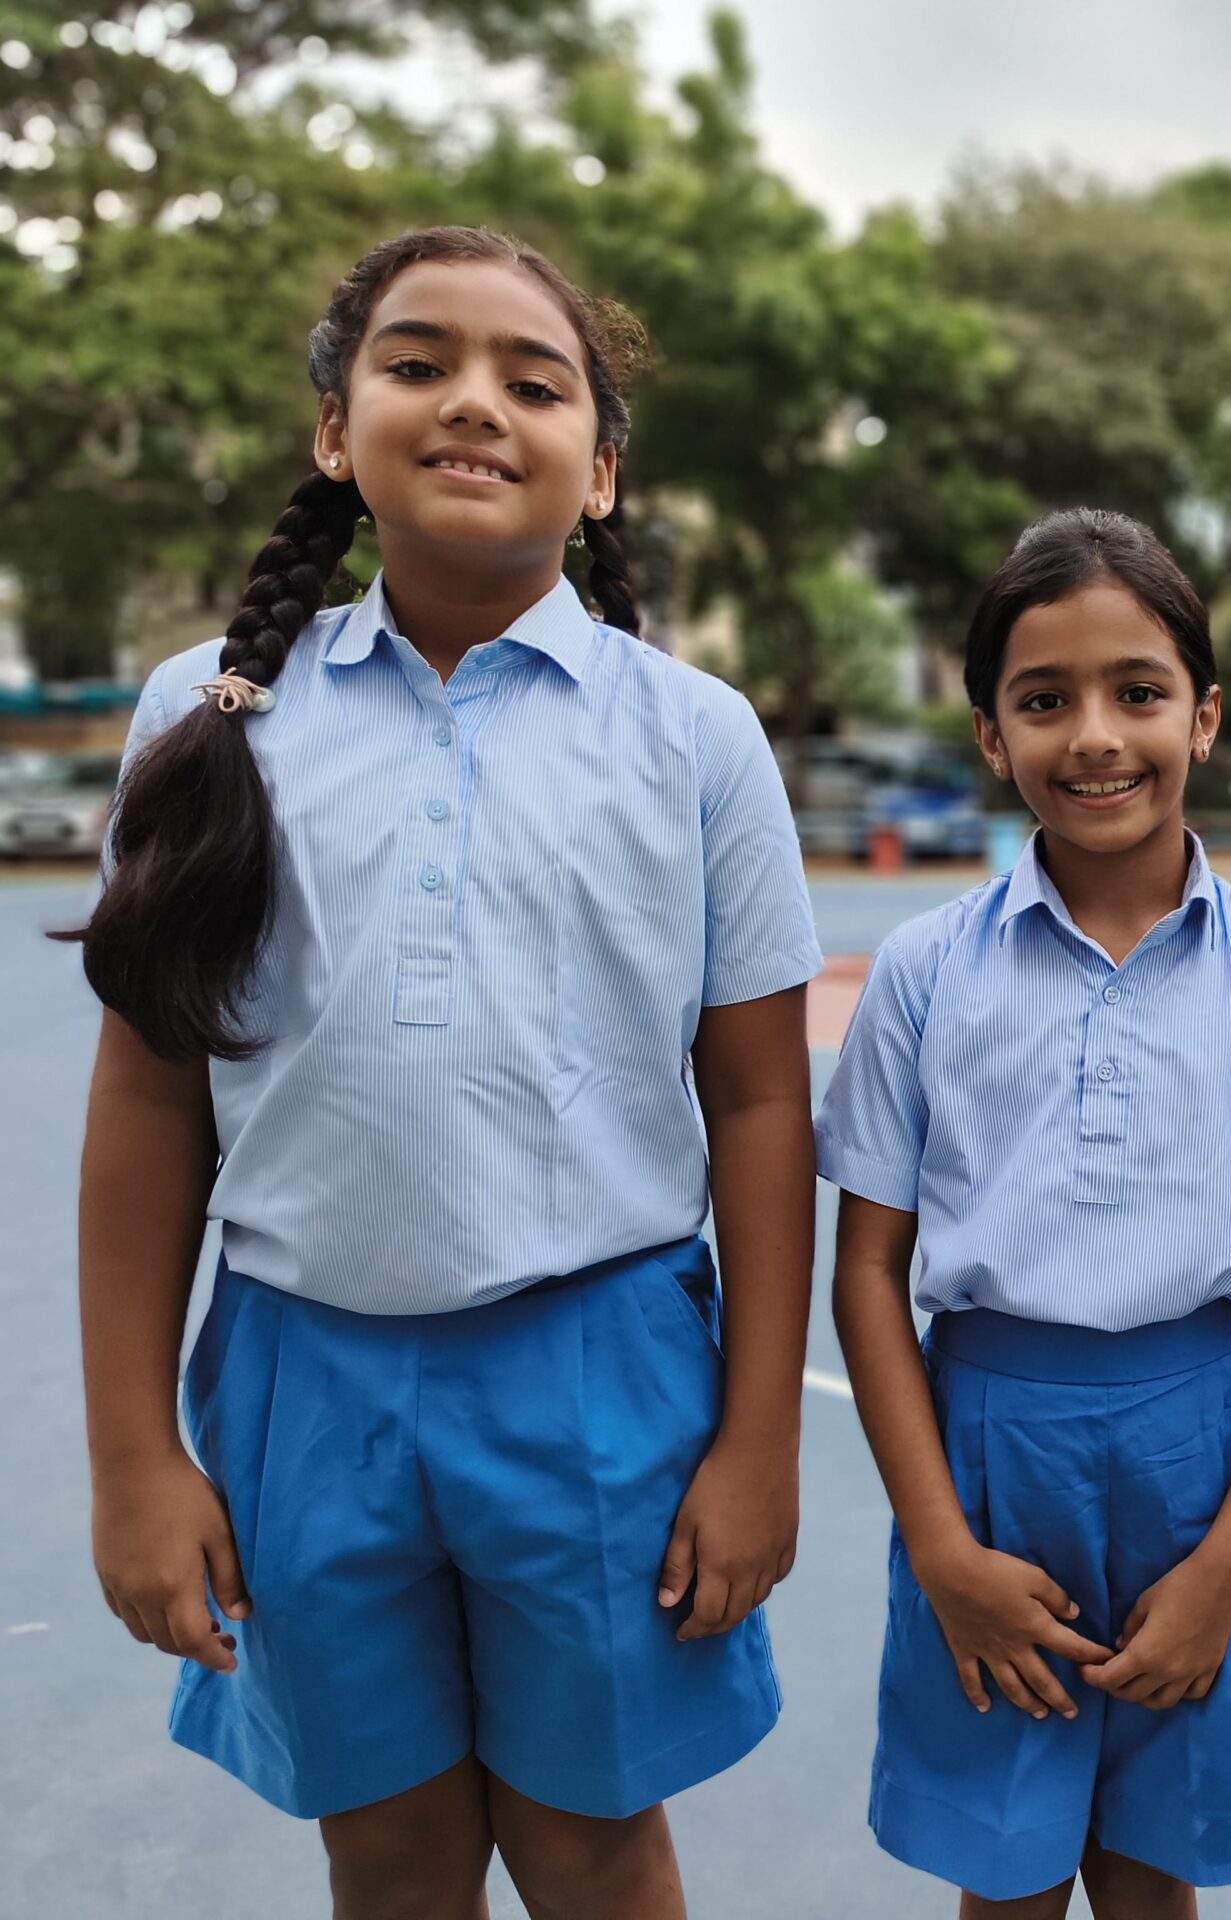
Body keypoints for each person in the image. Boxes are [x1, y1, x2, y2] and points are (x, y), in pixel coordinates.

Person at [68, 227, 821, 1917]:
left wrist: (757, 1435)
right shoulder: (211, 712)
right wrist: (136, 1451)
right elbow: (147, 1098)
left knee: (590, 1844)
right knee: (390, 1850)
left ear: (602, 470)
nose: (475, 403)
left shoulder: (691, 736)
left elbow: (764, 1103)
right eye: (418, 364)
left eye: (533, 381)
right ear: (337, 430)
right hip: (300, 1384)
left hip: (598, 1379)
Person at [821, 509, 1231, 1919]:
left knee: (1154, 1873)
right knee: (1005, 1879)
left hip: (1203, 1454)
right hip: (991, 1450)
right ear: (993, 737)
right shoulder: (928, 971)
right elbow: (868, 1272)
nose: (1096, 735)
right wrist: (941, 1545)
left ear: (1204, 715)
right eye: (1044, 700)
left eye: (1139, 691)